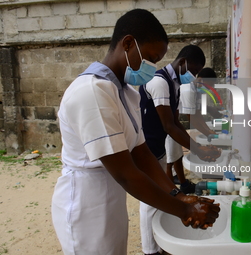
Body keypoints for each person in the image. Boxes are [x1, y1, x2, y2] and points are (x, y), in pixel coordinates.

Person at [51, 9, 220, 255]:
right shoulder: (91, 91)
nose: (152, 67)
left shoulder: (127, 92)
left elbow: (142, 154)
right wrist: (185, 210)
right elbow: (125, 172)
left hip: (111, 197)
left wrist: (177, 195)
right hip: (86, 202)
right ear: (128, 43)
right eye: (150, 58)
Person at [139, 45, 221, 255]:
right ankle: (150, 250)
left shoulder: (174, 84)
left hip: (157, 147)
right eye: (193, 71)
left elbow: (176, 121)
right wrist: (199, 150)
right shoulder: (159, 82)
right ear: (183, 62)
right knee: (149, 203)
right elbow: (168, 125)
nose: (194, 76)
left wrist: (199, 147)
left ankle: (158, 244)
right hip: (146, 149)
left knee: (160, 200)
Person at [166, 67, 222, 186]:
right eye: (209, 86)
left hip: (175, 122)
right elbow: (192, 118)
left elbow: (198, 115)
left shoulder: (197, 91)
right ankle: (171, 190)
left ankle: (183, 184)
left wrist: (208, 131)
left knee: (177, 155)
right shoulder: (188, 89)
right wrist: (208, 134)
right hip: (167, 124)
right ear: (201, 80)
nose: (208, 89)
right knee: (169, 160)